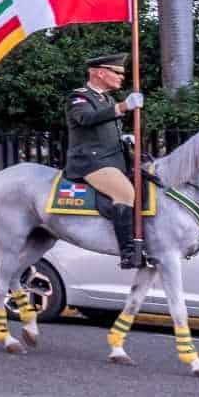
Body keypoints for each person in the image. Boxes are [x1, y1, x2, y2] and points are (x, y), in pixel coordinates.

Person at [65, 51, 145, 269]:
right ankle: (128, 252)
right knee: (125, 193)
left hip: (112, 159)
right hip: (90, 162)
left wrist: (124, 139)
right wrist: (122, 107)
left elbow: (105, 130)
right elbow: (86, 118)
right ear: (101, 73)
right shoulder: (79, 97)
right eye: (117, 72)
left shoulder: (106, 99)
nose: (121, 77)